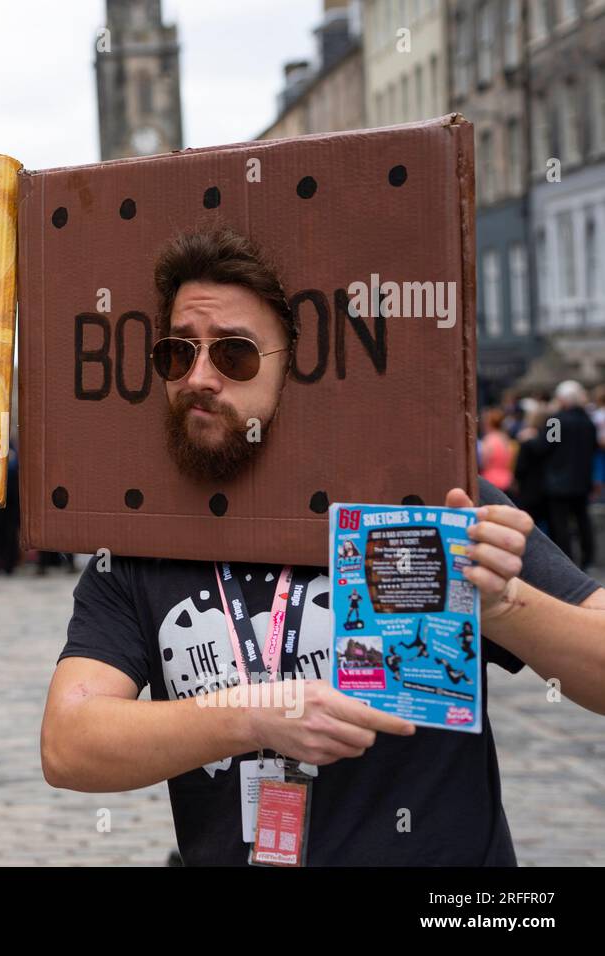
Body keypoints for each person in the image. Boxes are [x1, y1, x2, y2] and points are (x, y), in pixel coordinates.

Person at [40, 227, 605, 865]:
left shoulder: (419, 502)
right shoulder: (143, 537)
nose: (199, 376)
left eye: (235, 353)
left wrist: (504, 606)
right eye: (177, 353)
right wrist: (257, 714)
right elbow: (69, 742)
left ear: (298, 365)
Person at [529, 381, 597, 569]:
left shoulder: (557, 421)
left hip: (558, 481)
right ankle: (587, 557)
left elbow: (543, 447)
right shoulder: (587, 422)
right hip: (582, 480)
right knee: (583, 519)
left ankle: (567, 561)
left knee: (560, 524)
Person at [479, 407, 515, 493]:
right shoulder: (505, 438)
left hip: (490, 480)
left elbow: (484, 462)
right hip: (507, 480)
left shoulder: (489, 440)